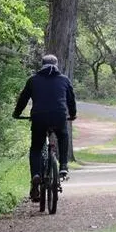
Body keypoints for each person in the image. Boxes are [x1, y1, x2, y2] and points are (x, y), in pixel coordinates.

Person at [13, 54, 77, 200]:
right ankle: (63, 166)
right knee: (63, 136)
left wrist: (17, 113)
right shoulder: (64, 80)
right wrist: (72, 114)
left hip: (39, 117)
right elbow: (71, 100)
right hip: (59, 116)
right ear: (57, 65)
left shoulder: (33, 80)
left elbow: (23, 99)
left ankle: (36, 174)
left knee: (36, 147)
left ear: (41, 65)